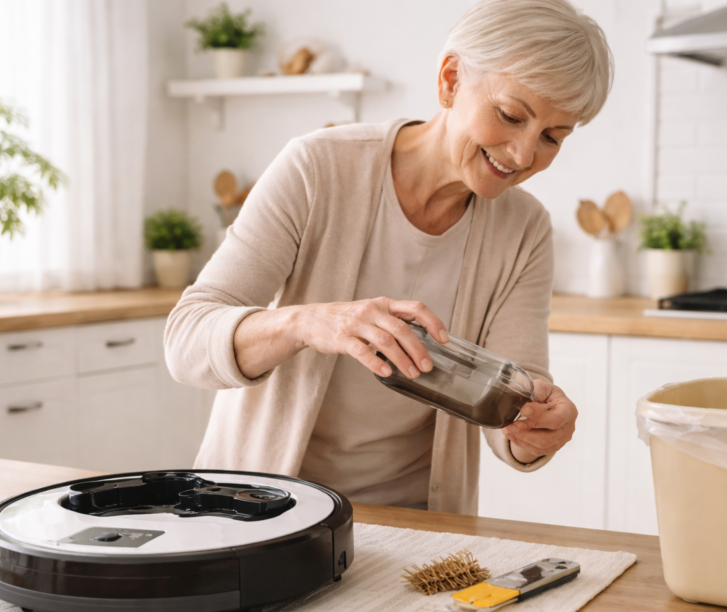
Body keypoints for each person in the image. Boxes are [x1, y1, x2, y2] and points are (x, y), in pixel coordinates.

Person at [165, 0, 613, 514]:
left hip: (415, 527)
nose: (522, 155)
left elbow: (516, 391)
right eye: (510, 116)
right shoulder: (318, 168)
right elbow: (187, 340)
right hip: (260, 512)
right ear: (450, 80)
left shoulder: (524, 229)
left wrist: (534, 424)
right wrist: (310, 323)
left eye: (553, 137)